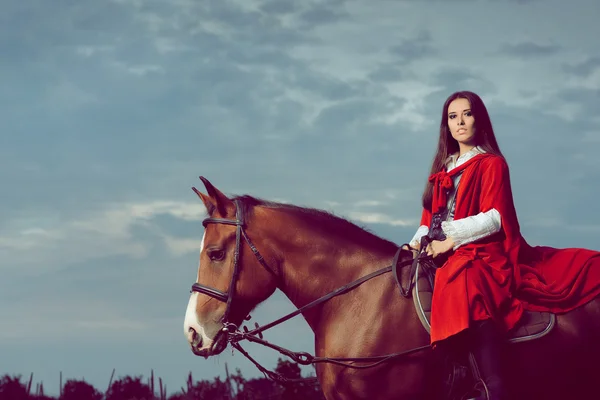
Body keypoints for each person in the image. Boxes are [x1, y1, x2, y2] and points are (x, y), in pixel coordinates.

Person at [402, 90, 600, 400]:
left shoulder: (491, 163)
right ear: (446, 126)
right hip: (440, 249)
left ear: (478, 119)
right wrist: (413, 246)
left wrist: (449, 241)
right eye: (452, 117)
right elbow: (428, 221)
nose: (460, 122)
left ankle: (490, 384)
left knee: (463, 276)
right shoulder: (439, 173)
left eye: (466, 114)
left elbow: (494, 217)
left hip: (480, 250)